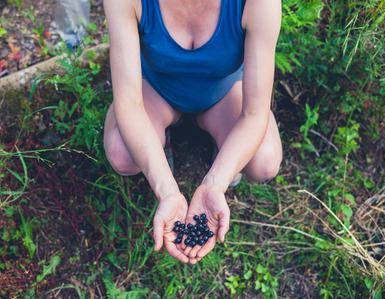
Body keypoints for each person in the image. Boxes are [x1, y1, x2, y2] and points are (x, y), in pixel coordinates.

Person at [103, 0, 282, 264]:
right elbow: (129, 106)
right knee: (122, 153)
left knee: (264, 160)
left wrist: (214, 185)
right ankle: (159, 145)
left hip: (222, 93)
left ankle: (220, 146)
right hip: (156, 90)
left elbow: (254, 114)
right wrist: (167, 191)